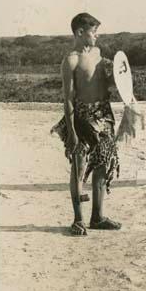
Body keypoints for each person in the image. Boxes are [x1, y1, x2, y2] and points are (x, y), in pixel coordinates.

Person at [51, 12, 121, 236]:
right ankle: (78, 219)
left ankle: (98, 217)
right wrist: (72, 133)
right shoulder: (71, 60)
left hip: (104, 114)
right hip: (82, 117)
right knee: (79, 167)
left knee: (103, 163)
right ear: (80, 32)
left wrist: (120, 79)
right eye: (94, 32)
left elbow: (106, 83)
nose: (97, 36)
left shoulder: (98, 53)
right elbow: (68, 99)